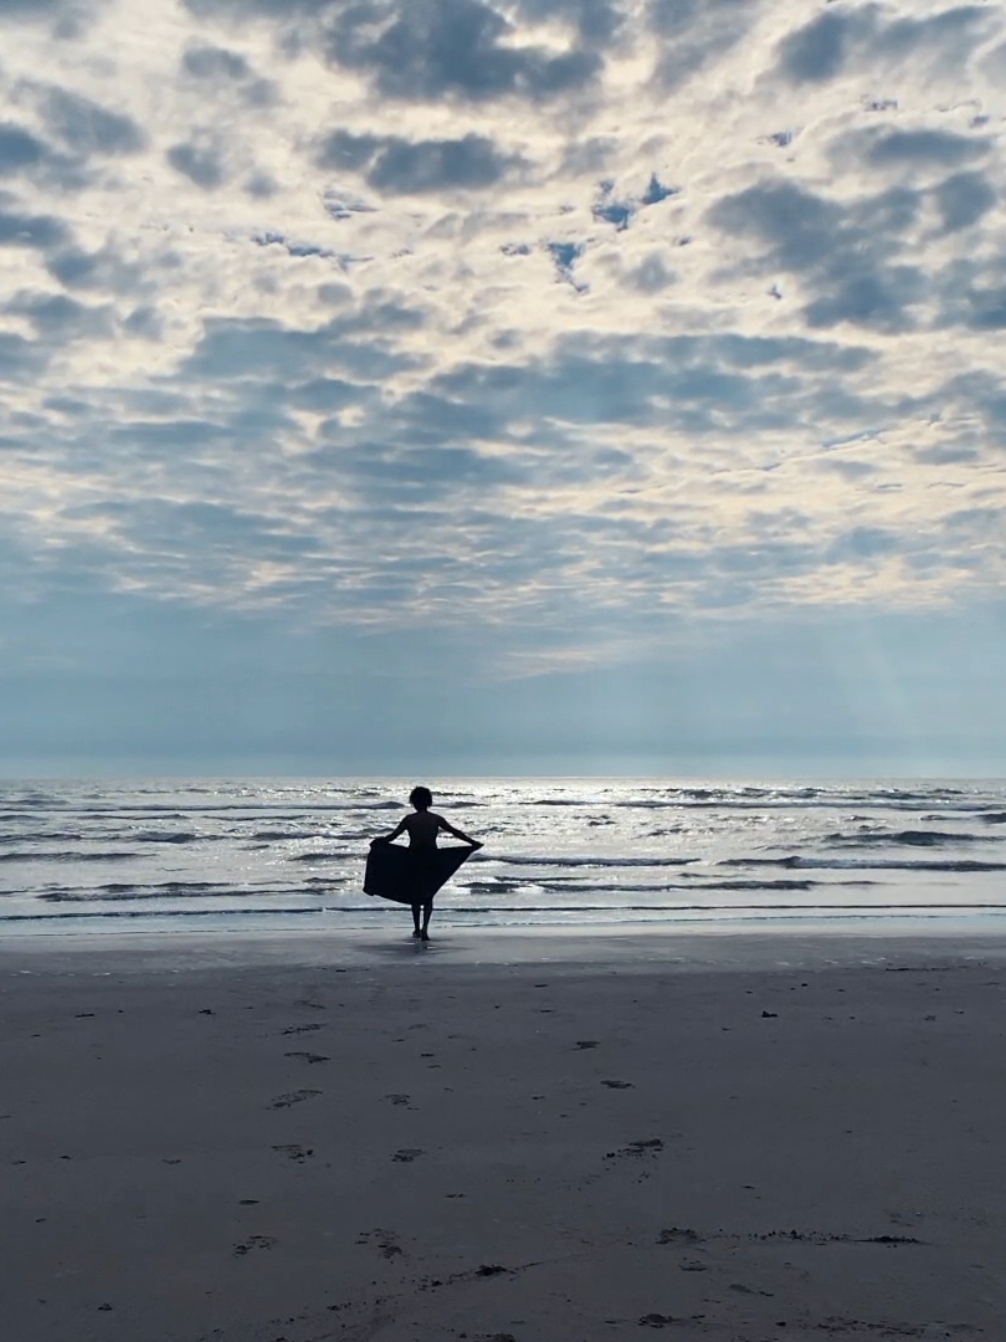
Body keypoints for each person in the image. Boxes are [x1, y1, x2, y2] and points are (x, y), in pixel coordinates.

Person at [375, 786, 482, 941]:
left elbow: (392, 837)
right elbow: (455, 832)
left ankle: (417, 929)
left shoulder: (409, 819)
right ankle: (425, 929)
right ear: (429, 802)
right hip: (432, 858)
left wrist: (379, 842)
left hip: (413, 858)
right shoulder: (436, 818)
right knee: (428, 894)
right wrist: (472, 842)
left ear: (413, 802)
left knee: (415, 895)